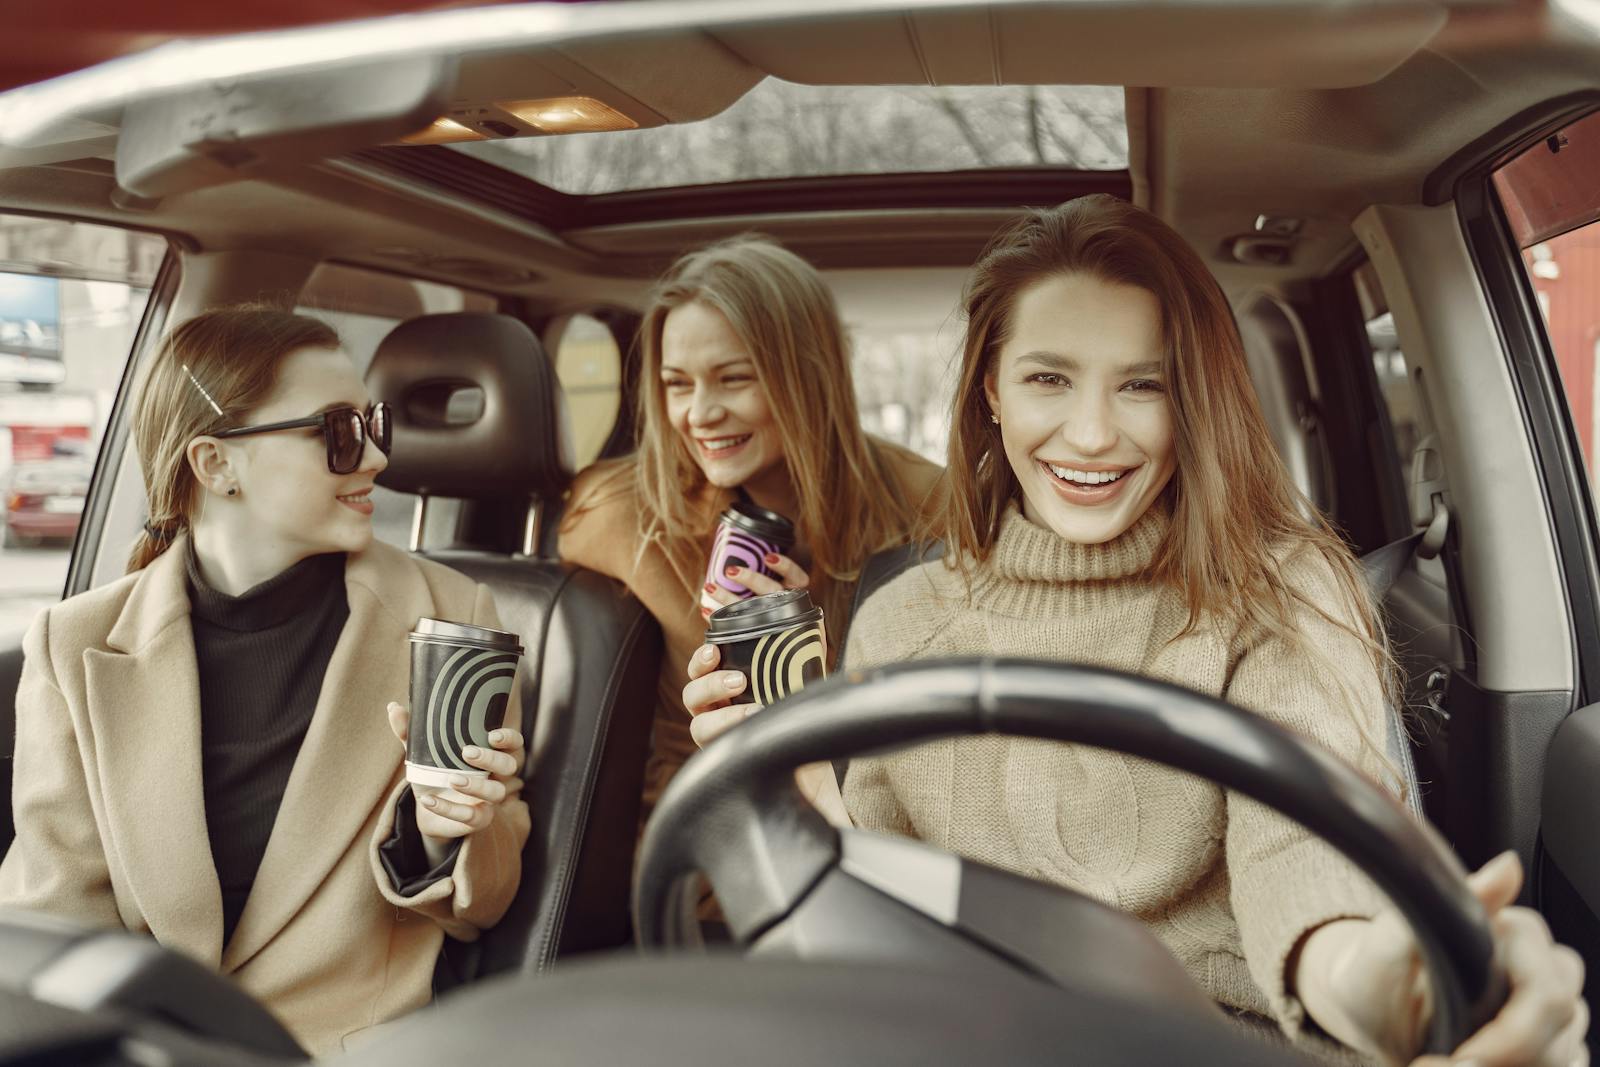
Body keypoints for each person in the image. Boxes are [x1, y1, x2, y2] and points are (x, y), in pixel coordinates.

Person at [683, 196, 1587, 1065]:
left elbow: (1308, 874)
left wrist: (1395, 985)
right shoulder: (899, 621)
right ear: (990, 389)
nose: (1090, 433)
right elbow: (881, 934)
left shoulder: (1278, 594)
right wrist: (803, 804)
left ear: (1190, 399)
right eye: (1048, 378)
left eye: (1143, 385)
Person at [0, 307, 530, 1056]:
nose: (376, 456)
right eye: (339, 432)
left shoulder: (448, 617)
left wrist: (446, 834)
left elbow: (485, 904)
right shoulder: (73, 643)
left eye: (373, 424)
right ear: (216, 464)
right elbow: (54, 920)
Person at [559, 234, 943, 816]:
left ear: (807, 376)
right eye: (677, 384)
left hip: (878, 824)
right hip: (708, 836)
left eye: (734, 378)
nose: (700, 414)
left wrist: (819, 662)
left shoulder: (927, 508)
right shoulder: (624, 515)